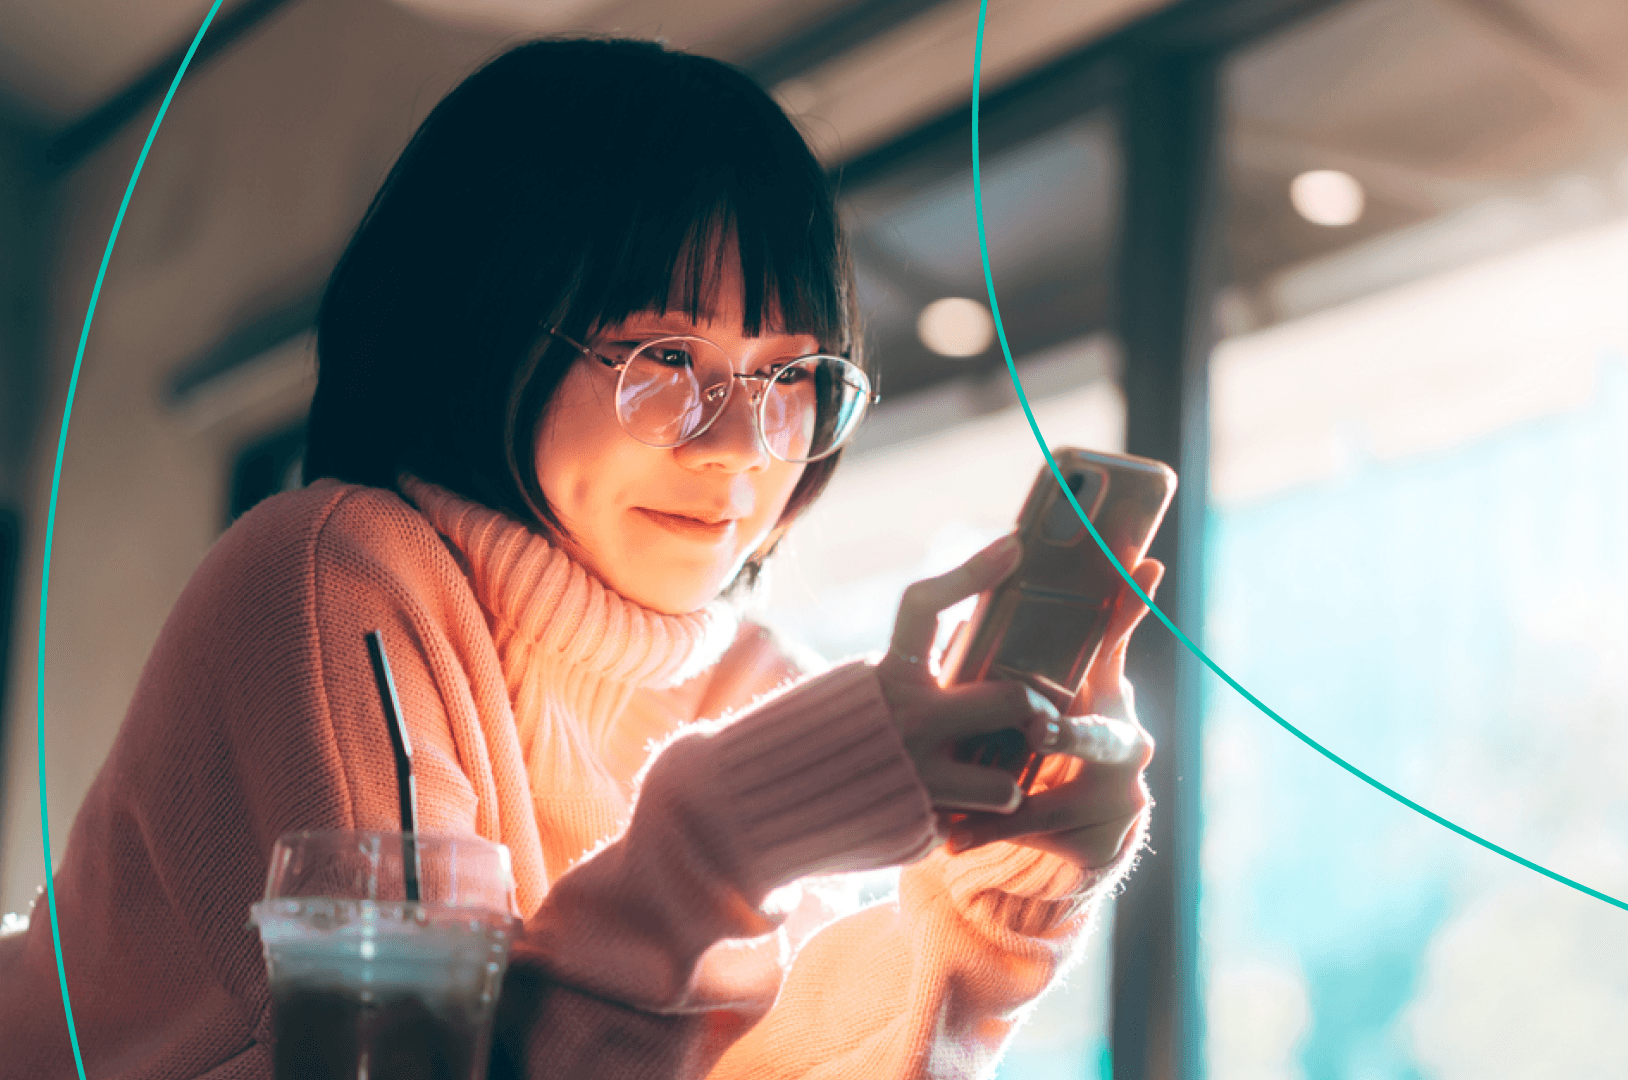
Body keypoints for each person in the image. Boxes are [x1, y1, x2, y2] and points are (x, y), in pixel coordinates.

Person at [0, 37, 1161, 1079]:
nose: (741, 451)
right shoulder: (335, 576)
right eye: (663, 358)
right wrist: (717, 840)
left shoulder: (755, 687)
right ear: (483, 327)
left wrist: (984, 916)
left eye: (789, 378)